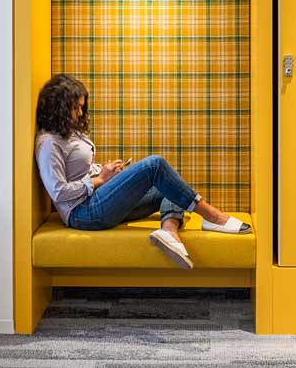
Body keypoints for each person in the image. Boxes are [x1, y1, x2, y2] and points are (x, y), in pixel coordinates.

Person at [33, 74, 251, 269]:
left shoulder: (69, 133)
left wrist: (106, 172)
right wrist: (100, 180)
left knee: (169, 185)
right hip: (82, 214)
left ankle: (168, 232)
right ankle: (213, 216)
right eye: (75, 108)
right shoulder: (48, 143)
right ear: (58, 107)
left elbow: (79, 171)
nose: (80, 113)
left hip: (95, 200)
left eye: (82, 107)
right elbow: (58, 192)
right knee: (154, 164)